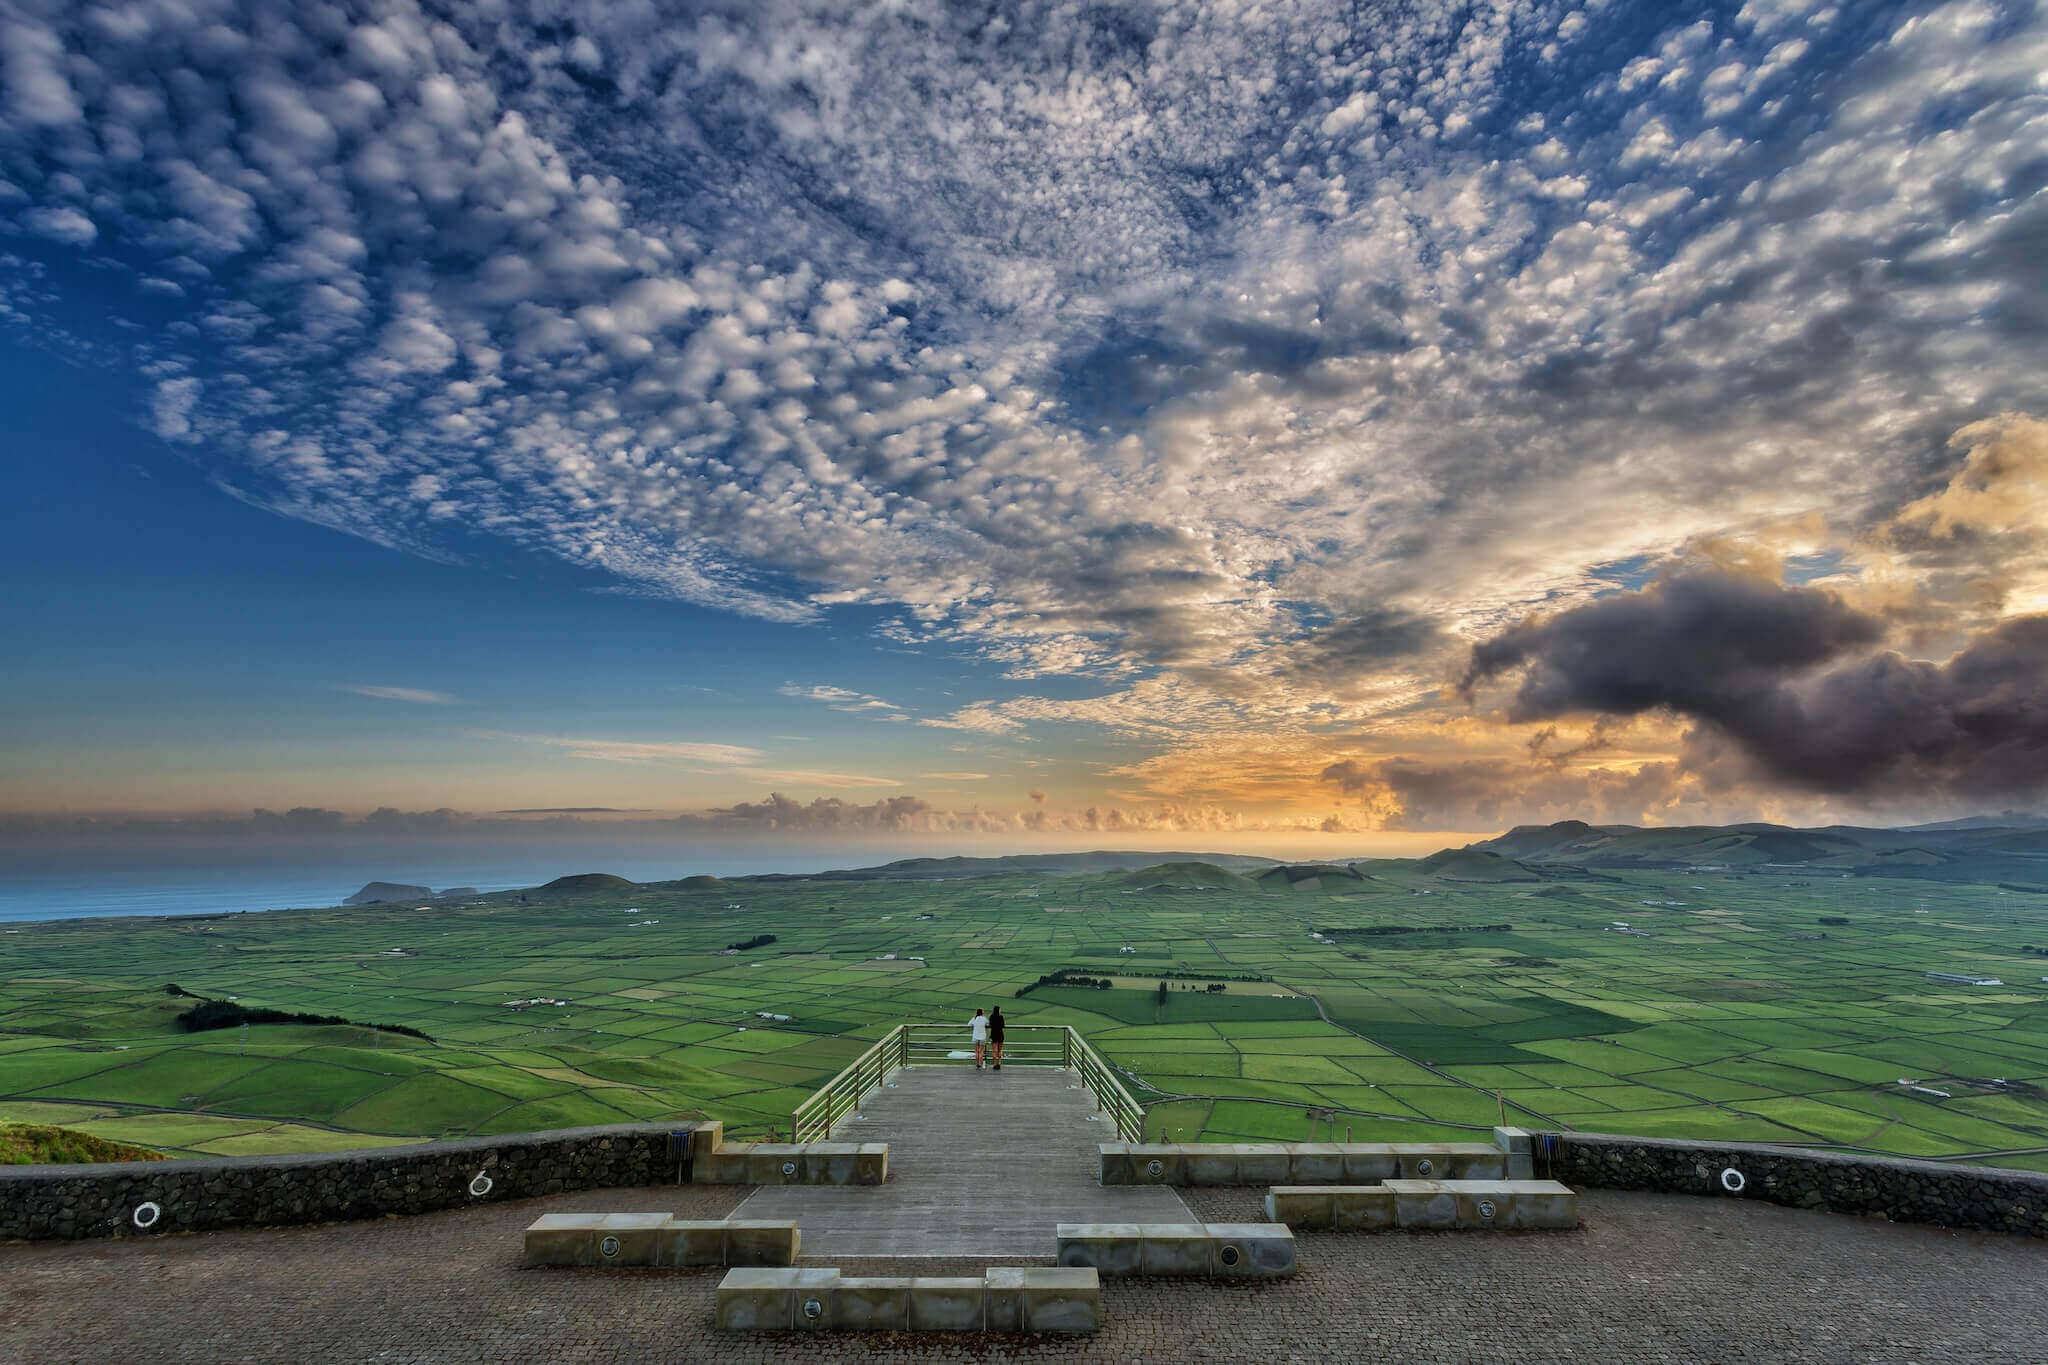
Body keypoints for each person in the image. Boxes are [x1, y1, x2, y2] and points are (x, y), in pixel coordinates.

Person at [989, 1005, 1006, 1070]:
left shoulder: (991, 1017)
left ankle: (994, 1064)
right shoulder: (1001, 1017)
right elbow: (1003, 1025)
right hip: (1000, 1034)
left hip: (994, 1034)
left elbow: (990, 1024)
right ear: (999, 1010)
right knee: (1000, 1049)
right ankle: (999, 1063)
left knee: (994, 1050)